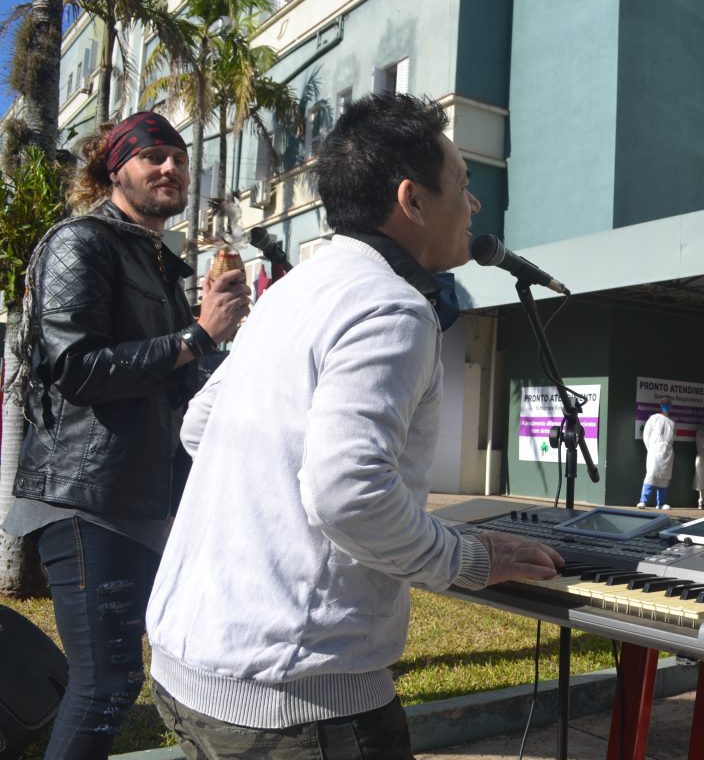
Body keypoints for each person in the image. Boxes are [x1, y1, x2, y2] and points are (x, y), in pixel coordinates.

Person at [144, 94, 563, 759]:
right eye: (463, 184)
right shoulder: (391, 307)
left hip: (188, 668)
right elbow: (347, 492)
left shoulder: (291, 290)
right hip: (295, 703)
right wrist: (469, 559)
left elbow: (200, 426)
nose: (475, 206)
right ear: (413, 200)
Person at [0, 112, 250, 759]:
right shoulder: (81, 243)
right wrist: (197, 335)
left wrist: (233, 341)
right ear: (115, 169)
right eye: (152, 157)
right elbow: (74, 369)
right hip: (85, 496)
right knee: (107, 681)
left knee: (123, 676)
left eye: (178, 157)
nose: (169, 167)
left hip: (142, 497)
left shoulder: (159, 262)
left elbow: (181, 379)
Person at [639, 396, 676, 510]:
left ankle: (661, 503)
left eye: (668, 404)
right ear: (660, 405)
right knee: (651, 474)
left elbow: (673, 437)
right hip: (655, 450)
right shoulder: (654, 418)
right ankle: (643, 501)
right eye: (664, 404)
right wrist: (651, 449)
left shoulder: (672, 422)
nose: (666, 406)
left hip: (668, 451)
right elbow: (646, 434)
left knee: (665, 476)